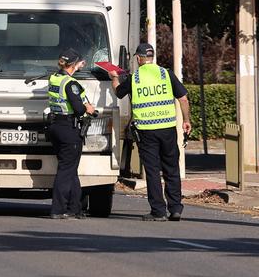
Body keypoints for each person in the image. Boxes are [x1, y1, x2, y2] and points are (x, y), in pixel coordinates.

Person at [115, 43, 192, 222]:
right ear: (152, 56)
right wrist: (186, 120)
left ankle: (158, 211)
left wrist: (114, 78)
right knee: (171, 169)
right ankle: (175, 209)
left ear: (139, 58)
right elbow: (183, 99)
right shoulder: (166, 74)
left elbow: (119, 93)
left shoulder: (134, 78)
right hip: (167, 129)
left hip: (146, 131)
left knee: (152, 171)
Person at [47, 48, 96, 219]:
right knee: (66, 170)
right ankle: (58, 209)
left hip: (55, 126)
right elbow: (78, 108)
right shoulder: (71, 83)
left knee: (70, 168)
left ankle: (75, 207)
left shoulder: (54, 78)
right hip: (68, 128)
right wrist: (88, 109)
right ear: (73, 64)